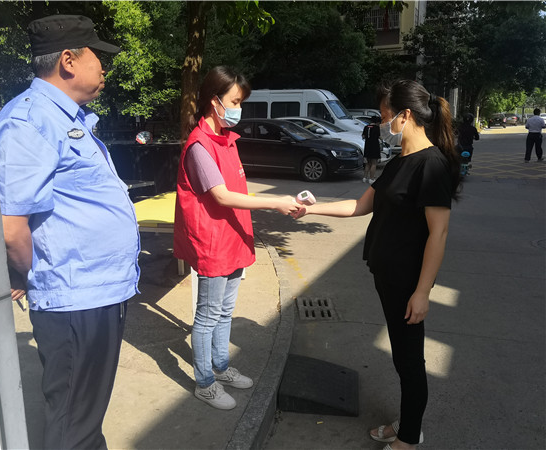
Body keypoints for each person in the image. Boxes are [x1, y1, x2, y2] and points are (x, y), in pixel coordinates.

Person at [0, 15, 140, 449]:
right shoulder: (28, 122)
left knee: (84, 418)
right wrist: (29, 274)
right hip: (73, 297)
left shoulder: (62, 118)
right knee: (72, 426)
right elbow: (10, 227)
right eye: (98, 57)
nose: (104, 68)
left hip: (94, 292)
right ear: (69, 61)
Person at [293, 80, 460, 450]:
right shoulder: (399, 162)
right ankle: (408, 424)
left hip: (407, 281)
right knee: (402, 357)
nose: (381, 124)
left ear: (405, 115)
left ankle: (409, 439)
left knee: (410, 361)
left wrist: (422, 292)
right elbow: (359, 206)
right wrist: (311, 209)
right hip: (387, 276)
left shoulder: (431, 164)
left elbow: (439, 233)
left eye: (384, 117)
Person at [174, 66, 301, 410]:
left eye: (240, 102)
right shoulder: (199, 145)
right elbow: (222, 196)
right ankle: (204, 382)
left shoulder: (226, 140)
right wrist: (275, 202)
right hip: (213, 243)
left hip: (233, 237)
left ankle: (220, 366)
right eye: (234, 101)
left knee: (225, 310)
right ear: (213, 101)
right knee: (207, 316)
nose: (238, 109)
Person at [362, 116, 382, 183]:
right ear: (377, 122)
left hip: (367, 146)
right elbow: (380, 137)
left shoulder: (366, 127)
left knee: (368, 163)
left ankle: (365, 178)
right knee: (374, 163)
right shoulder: (377, 128)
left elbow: (363, 136)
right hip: (374, 146)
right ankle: (371, 178)